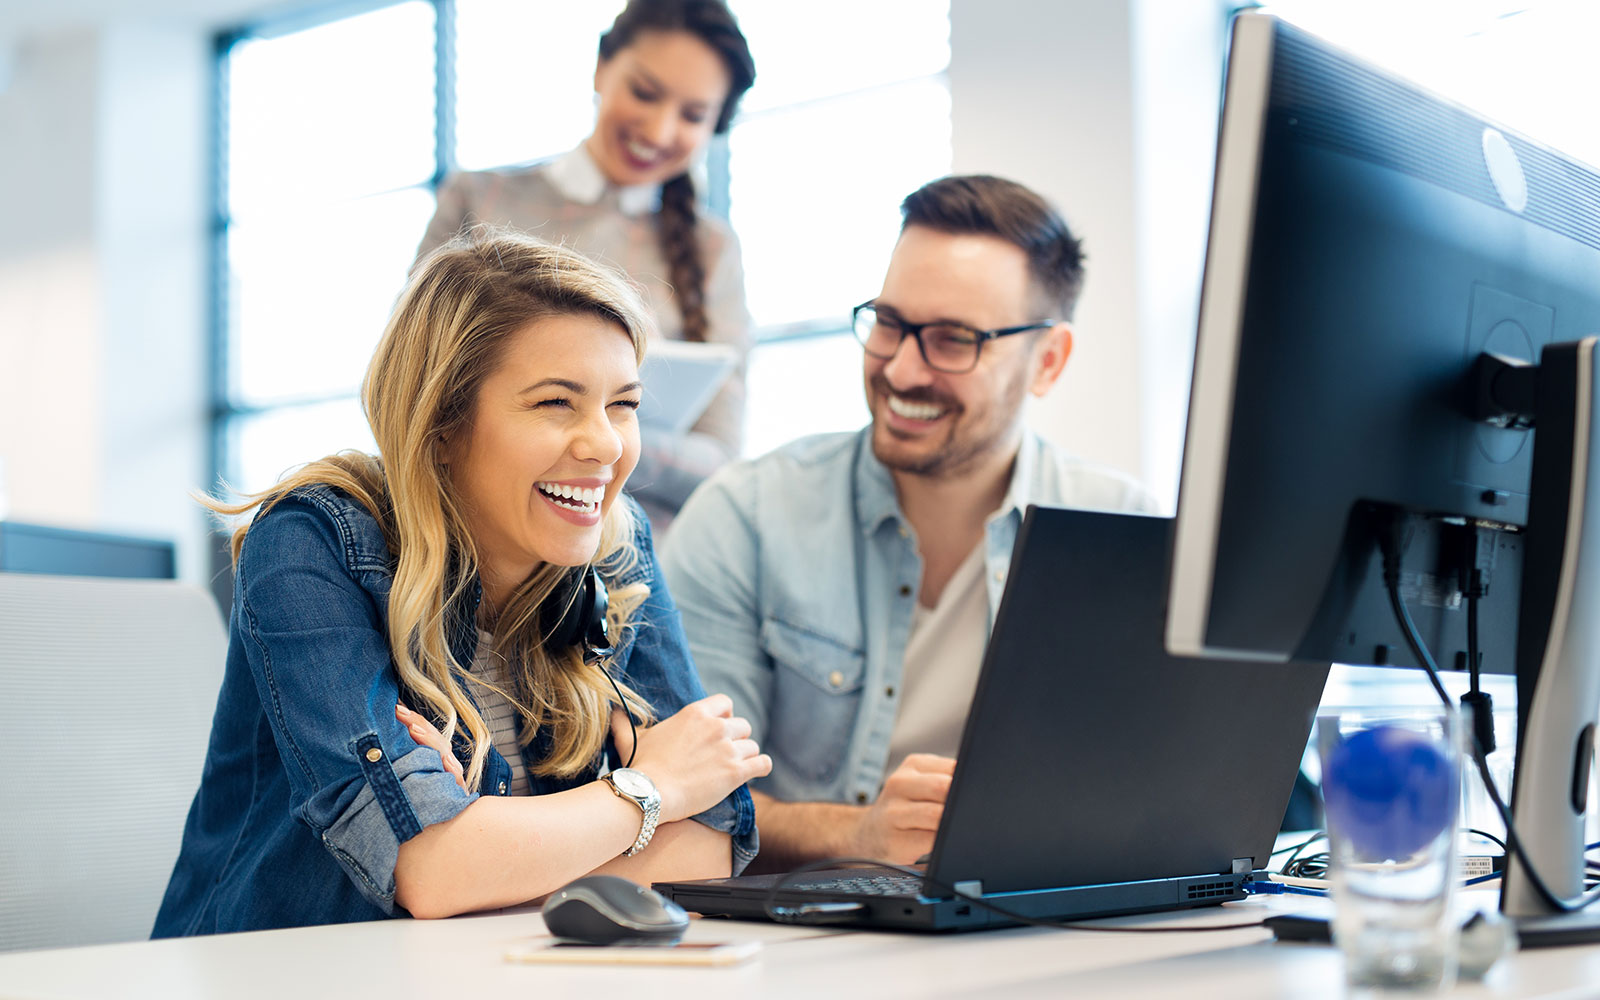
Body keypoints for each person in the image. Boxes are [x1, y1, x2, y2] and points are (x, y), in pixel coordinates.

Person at [152, 229, 769, 936]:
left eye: (623, 404)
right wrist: (649, 787)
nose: (604, 444)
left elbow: (710, 844)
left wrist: (489, 841)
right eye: (555, 404)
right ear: (442, 424)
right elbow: (433, 871)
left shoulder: (614, 549)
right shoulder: (310, 542)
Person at [659, 175, 1160, 872]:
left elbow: (1167, 800)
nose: (901, 368)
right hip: (806, 948)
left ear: (1047, 361)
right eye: (889, 323)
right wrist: (858, 834)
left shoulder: (1129, 535)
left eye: (953, 339)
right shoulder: (744, 516)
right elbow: (686, 801)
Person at [416, 0, 756, 528]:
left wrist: (588, 430)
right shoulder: (479, 200)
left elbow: (720, 459)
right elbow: (411, 388)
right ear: (601, 66)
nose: (661, 129)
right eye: (645, 93)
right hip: (475, 537)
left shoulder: (713, 251)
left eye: (692, 115)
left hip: (639, 564)